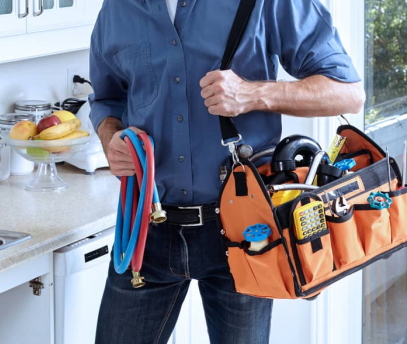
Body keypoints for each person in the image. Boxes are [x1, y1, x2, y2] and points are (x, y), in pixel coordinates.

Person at [88, 0, 365, 343]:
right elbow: (106, 99)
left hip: (245, 230)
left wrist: (253, 94)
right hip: (147, 229)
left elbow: (348, 93)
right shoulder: (118, 7)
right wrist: (109, 137)